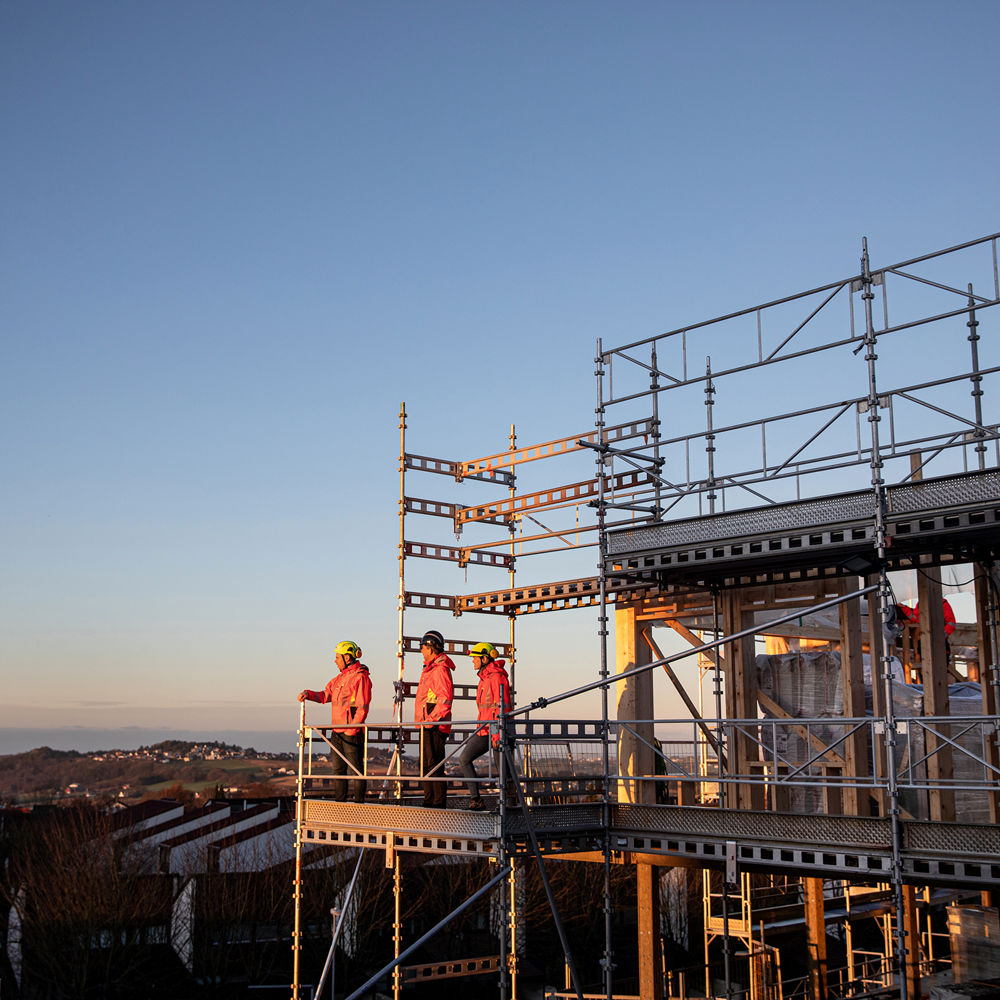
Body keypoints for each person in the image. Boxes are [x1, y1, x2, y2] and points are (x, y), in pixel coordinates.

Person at [298, 640, 372, 803]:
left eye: (337, 657)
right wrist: (308, 694)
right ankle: (340, 803)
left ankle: (359, 805)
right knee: (338, 770)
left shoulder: (361, 677)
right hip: (337, 732)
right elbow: (325, 695)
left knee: (356, 771)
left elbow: (362, 707)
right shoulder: (339, 678)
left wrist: (351, 729)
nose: (335, 660)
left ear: (347, 657)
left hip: (351, 732)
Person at [458, 641, 512, 810]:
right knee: (464, 759)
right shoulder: (484, 678)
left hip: (498, 731)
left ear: (485, 658)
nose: (473, 661)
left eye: (475, 658)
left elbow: (499, 706)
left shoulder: (496, 677)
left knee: (503, 770)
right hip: (485, 729)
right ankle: (476, 799)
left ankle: (509, 806)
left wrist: (497, 735)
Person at [414, 629, 455, 808]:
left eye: (422, 646)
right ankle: (429, 800)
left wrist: (432, 720)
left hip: (434, 725)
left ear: (431, 648)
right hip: (428, 724)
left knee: (433, 765)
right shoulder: (431, 669)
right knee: (426, 765)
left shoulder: (439, 670)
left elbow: (445, 699)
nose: (421, 650)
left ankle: (436, 803)